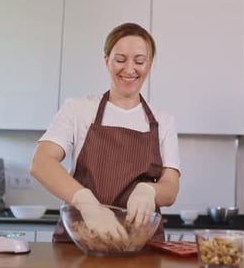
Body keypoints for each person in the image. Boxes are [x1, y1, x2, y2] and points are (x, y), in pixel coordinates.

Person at [30, 22, 181, 243]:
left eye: (139, 61)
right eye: (120, 60)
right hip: (81, 242)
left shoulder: (163, 121)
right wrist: (87, 204)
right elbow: (41, 163)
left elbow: (171, 189)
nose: (129, 69)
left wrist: (150, 191)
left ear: (149, 65)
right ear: (106, 61)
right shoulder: (79, 109)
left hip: (140, 247)